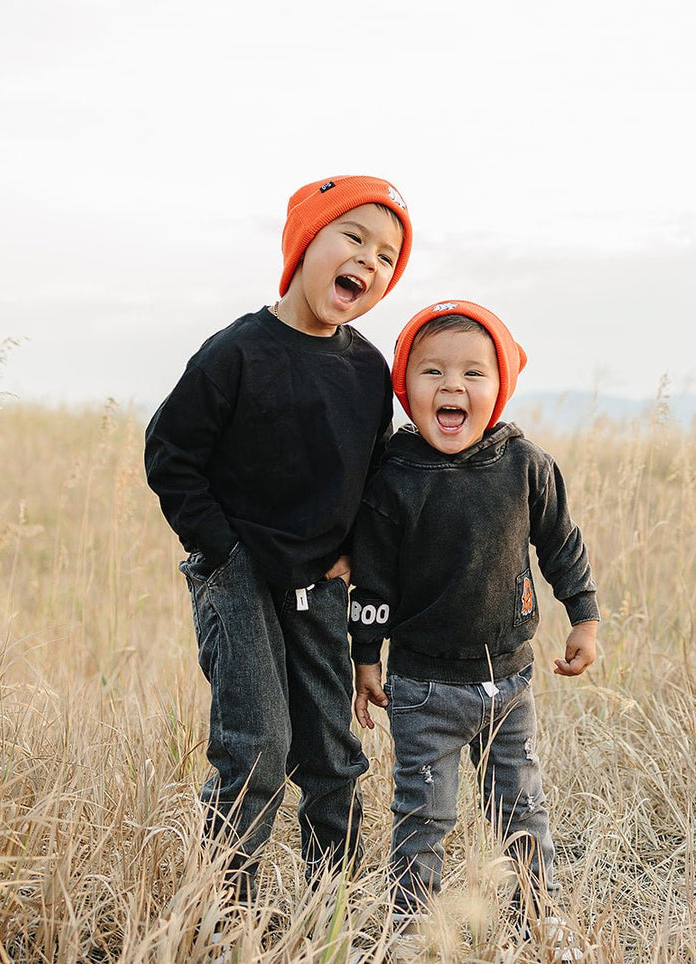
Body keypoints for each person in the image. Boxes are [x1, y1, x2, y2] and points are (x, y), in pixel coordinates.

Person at [144, 175, 411, 902]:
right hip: (237, 577)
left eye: (387, 256)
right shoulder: (236, 352)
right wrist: (223, 550)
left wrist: (353, 555)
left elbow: (372, 472)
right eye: (352, 237)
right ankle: (221, 908)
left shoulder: (366, 371)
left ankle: (330, 909)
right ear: (304, 243)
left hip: (319, 584)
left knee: (331, 750)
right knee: (257, 746)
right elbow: (170, 454)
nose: (369, 260)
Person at [349, 300, 598, 947]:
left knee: (522, 808)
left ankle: (540, 913)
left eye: (472, 373)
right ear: (406, 388)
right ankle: (411, 928)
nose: (452, 385)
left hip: (509, 683)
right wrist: (365, 656)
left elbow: (560, 544)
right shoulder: (393, 477)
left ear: (500, 387)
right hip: (422, 689)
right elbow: (370, 579)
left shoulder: (523, 466)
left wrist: (584, 616)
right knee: (423, 815)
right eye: (431, 372)